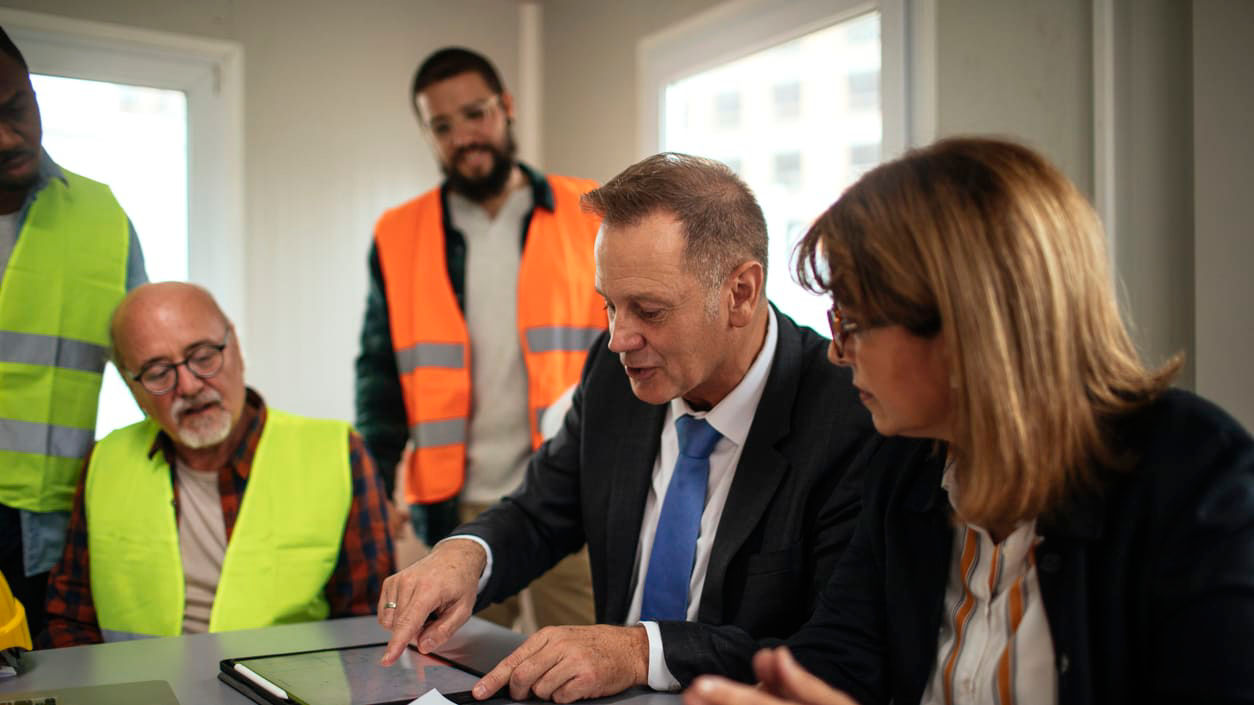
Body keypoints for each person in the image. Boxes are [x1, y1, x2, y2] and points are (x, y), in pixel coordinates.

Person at [683, 137, 1254, 705]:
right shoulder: (903, 465)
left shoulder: (1196, 476)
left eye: (852, 322)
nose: (837, 352)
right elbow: (837, 658)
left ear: (965, 325)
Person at [377, 153, 877, 703]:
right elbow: (541, 509)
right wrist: (467, 554)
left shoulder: (849, 417)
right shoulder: (616, 375)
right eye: (610, 306)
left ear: (740, 293)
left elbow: (837, 652)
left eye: (649, 310)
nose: (619, 338)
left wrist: (640, 651)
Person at [355, 46, 604, 631]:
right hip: (457, 508)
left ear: (506, 107)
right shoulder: (399, 233)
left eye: (475, 114)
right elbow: (379, 375)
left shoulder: (588, 211)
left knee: (590, 664)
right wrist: (375, 489)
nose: (464, 136)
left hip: (572, 495)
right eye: (443, 126)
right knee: (454, 670)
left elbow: (625, 352)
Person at [42, 282, 393, 645]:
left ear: (237, 349)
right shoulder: (106, 460)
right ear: (134, 389)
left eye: (204, 356)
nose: (190, 386)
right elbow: (70, 618)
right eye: (158, 372)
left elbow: (367, 627)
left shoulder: (337, 452)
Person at [0, 26, 148, 640]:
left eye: (16, 108)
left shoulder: (100, 216)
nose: (8, 137)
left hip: (51, 531)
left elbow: (155, 373)